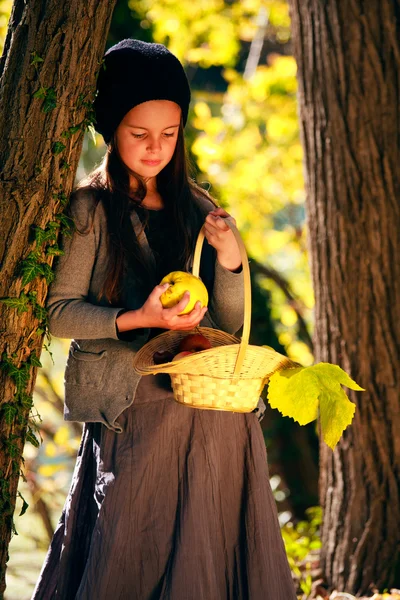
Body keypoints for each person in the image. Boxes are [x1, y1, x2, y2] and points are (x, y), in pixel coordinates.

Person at [31, 39, 297, 600]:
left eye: (169, 135)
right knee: (130, 542)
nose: (156, 149)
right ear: (111, 130)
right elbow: (58, 314)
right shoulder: (91, 210)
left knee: (211, 546)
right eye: (139, 134)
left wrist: (229, 258)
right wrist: (138, 317)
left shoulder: (196, 206)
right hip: (137, 409)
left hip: (209, 406)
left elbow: (227, 324)